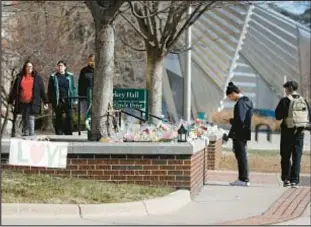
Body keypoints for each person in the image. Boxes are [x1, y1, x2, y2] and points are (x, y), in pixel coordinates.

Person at [275, 81, 310, 188]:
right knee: (297, 157)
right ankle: (295, 181)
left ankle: (286, 179)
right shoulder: (303, 100)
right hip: (300, 132)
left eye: (285, 88)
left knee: (285, 156)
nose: (285, 91)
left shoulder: (285, 100)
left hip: (287, 132)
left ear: (288, 89)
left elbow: (278, 116)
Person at [8, 60, 48, 136]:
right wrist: (10, 101)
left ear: (33, 68)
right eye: (28, 66)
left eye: (31, 66)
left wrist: (45, 102)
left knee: (31, 117)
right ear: (25, 67)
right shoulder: (20, 77)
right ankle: (26, 134)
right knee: (24, 118)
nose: (29, 68)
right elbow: (14, 90)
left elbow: (42, 90)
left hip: (33, 101)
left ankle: (31, 134)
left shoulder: (37, 78)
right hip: (22, 101)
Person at [226, 82, 254, 186]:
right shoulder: (248, 101)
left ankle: (243, 179)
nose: (230, 99)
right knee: (243, 156)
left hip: (239, 133)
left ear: (233, 93)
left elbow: (240, 119)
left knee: (241, 156)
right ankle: (243, 178)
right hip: (245, 133)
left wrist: (232, 121)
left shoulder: (240, 103)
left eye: (230, 96)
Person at [48, 60, 77, 135]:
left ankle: (68, 132)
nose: (60, 67)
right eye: (59, 66)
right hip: (58, 99)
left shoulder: (70, 76)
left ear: (65, 67)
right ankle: (59, 132)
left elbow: (73, 87)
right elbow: (50, 89)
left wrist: (74, 98)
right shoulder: (53, 76)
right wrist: (49, 101)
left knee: (69, 116)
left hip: (68, 99)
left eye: (61, 66)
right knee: (58, 117)